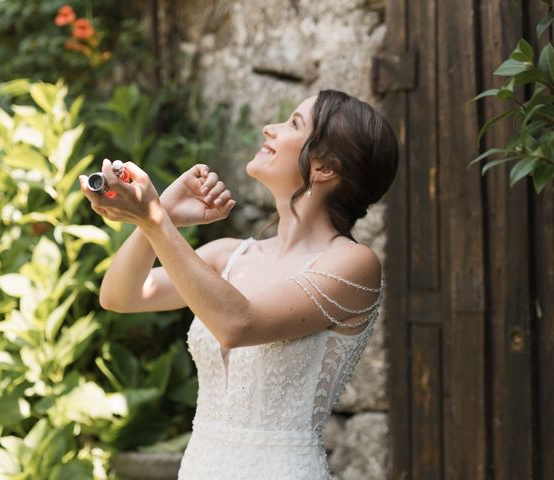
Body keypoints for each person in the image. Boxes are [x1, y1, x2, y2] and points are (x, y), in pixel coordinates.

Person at [79, 89, 399, 480]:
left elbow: (237, 325)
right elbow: (121, 296)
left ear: (325, 168)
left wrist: (153, 220)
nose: (270, 128)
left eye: (293, 124)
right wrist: (163, 216)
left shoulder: (352, 264)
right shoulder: (229, 256)